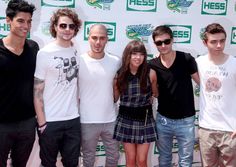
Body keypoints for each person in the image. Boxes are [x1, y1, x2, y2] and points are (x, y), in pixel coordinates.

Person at [33, 8, 82, 167]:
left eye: (71, 26)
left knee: (72, 164)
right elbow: (37, 91)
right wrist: (42, 123)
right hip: (51, 122)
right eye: (63, 26)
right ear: (54, 27)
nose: (67, 30)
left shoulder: (75, 50)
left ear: (76, 28)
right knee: (48, 163)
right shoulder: (44, 53)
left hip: (73, 120)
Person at [148, 25, 199, 167]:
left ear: (172, 40)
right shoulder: (152, 64)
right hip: (163, 120)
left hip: (186, 121)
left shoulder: (186, 59)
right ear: (155, 44)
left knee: (186, 161)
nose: (163, 45)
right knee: (164, 159)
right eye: (159, 43)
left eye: (166, 41)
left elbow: (201, 83)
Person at [0, 0, 38, 166]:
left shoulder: (33, 47)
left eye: (29, 21)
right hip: (1, 125)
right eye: (21, 21)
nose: (26, 25)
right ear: (8, 20)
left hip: (27, 124)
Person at [79, 24, 120, 167]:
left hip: (110, 119)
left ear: (107, 39)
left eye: (102, 38)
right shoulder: (79, 61)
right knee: (88, 159)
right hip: (87, 120)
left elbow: (118, 87)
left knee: (114, 156)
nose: (98, 42)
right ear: (88, 38)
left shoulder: (115, 61)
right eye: (94, 38)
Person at [113, 40, 158, 167]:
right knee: (131, 159)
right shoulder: (120, 74)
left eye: (141, 54)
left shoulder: (151, 73)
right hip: (126, 120)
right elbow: (115, 97)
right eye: (134, 54)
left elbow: (155, 93)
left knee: (142, 160)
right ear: (128, 55)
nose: (138, 57)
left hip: (145, 121)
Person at [196, 23, 236, 167]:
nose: (219, 45)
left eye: (222, 41)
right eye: (213, 41)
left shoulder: (234, 64)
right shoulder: (198, 62)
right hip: (206, 129)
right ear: (204, 42)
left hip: (230, 130)